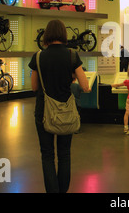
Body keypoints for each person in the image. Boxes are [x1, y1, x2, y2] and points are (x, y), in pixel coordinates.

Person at [28, 19, 90, 193]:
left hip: (44, 111)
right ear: (63, 34)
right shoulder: (72, 55)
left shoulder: (38, 56)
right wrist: (71, 78)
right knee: (64, 154)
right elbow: (85, 86)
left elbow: (34, 87)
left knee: (47, 155)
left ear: (47, 34)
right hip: (66, 111)